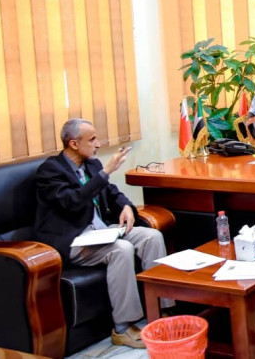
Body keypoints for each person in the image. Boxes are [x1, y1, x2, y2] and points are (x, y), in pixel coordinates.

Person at [34, 118, 170, 349]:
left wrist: (126, 207)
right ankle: (123, 328)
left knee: (151, 237)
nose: (98, 144)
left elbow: (112, 191)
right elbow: (73, 202)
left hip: (102, 232)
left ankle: (161, 312)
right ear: (74, 143)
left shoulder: (91, 164)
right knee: (121, 249)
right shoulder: (50, 171)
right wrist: (106, 171)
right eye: (93, 139)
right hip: (73, 239)